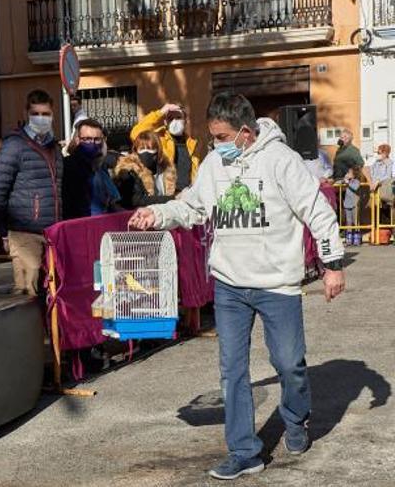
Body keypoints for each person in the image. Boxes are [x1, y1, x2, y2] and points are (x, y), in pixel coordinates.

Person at [129, 92, 346, 480]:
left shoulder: (282, 161)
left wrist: (332, 265)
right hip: (229, 285)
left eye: (223, 137)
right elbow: (192, 205)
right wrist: (157, 213)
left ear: (245, 133)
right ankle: (245, 451)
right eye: (213, 137)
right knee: (232, 371)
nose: (217, 145)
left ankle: (296, 419)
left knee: (288, 364)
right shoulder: (214, 163)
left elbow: (318, 211)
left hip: (277, 284)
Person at [0, 89, 63, 297]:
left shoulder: (54, 148)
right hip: (24, 232)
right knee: (27, 293)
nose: (41, 119)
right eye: (36, 114)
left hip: (51, 231)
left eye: (46, 114)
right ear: (27, 114)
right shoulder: (13, 146)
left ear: (53, 114)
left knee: (50, 293)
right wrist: (3, 232)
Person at [130, 102, 201, 193]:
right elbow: (136, 133)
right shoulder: (158, 138)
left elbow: (194, 171)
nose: (174, 121)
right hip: (167, 195)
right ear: (165, 122)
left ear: (186, 121)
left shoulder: (192, 143)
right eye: (170, 118)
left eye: (178, 118)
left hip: (188, 193)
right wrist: (161, 112)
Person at [62, 118, 121, 218]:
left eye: (96, 139)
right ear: (77, 140)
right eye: (87, 139)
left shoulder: (100, 166)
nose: (92, 143)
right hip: (80, 225)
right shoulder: (68, 166)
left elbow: (110, 202)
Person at [113, 130, 176, 209]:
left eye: (150, 149)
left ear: (158, 150)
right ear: (136, 151)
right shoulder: (130, 170)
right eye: (142, 149)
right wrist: (172, 199)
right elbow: (137, 200)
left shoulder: (166, 169)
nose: (146, 152)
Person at [342, 166, 367, 246]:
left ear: (354, 174)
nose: (347, 174)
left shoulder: (356, 181)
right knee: (348, 221)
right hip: (347, 203)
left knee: (356, 220)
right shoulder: (347, 181)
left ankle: (357, 236)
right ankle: (349, 236)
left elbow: (355, 188)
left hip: (355, 204)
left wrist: (348, 183)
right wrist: (344, 180)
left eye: (349, 173)